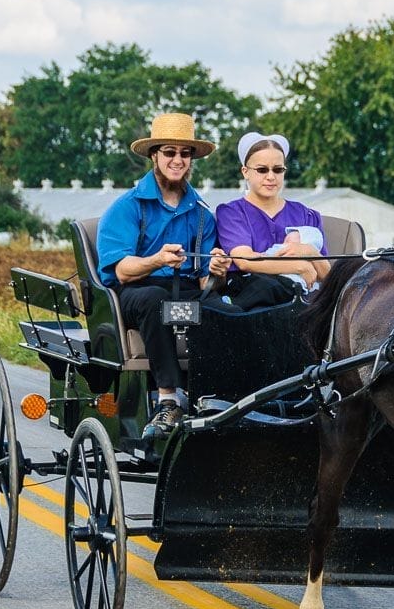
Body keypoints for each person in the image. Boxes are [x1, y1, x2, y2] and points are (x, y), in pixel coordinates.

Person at [96, 112, 231, 439]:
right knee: (155, 301)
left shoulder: (201, 214)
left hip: (185, 290)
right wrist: (156, 259)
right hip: (136, 293)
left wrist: (217, 272)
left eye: (185, 154)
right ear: (154, 155)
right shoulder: (129, 207)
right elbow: (121, 271)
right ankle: (168, 399)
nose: (178, 160)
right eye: (169, 152)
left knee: (227, 310)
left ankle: (221, 395)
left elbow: (204, 283)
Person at [215, 132, 330, 311]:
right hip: (250, 299)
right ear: (245, 172)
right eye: (262, 170)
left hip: (301, 302)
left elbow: (326, 275)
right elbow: (245, 261)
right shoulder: (232, 213)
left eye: (278, 170)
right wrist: (299, 266)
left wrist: (308, 250)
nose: (271, 176)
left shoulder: (306, 214)